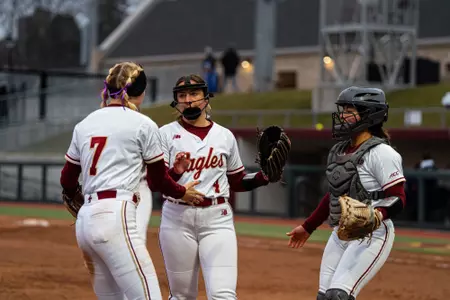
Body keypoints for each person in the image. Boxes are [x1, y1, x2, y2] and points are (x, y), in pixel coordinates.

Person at [59, 62, 204, 300]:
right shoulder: (143, 124)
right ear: (142, 93)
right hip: (116, 215)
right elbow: (157, 182)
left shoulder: (84, 125)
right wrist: (181, 191)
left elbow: (67, 179)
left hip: (85, 222)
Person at [154, 74, 273, 299]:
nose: (188, 100)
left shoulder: (224, 136)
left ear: (206, 98)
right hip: (177, 218)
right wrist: (176, 172)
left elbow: (236, 181)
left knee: (223, 295)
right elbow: (158, 182)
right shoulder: (165, 134)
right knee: (181, 296)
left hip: (217, 219)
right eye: (182, 95)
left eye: (194, 93)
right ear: (176, 101)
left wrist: (263, 177)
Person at [286, 87, 407, 300]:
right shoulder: (339, 150)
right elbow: (334, 195)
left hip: (372, 234)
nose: (342, 116)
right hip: (340, 233)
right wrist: (308, 227)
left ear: (369, 115)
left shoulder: (382, 153)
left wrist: (376, 215)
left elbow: (398, 197)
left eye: (349, 111)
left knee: (338, 295)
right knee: (324, 297)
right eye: (342, 110)